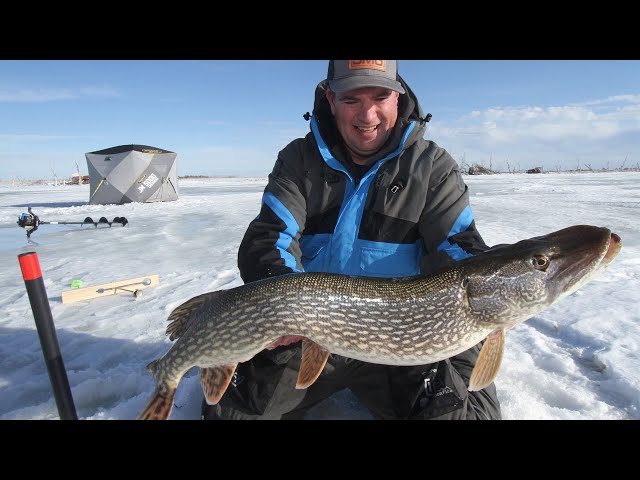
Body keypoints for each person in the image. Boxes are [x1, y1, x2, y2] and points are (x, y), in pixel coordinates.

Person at [201, 60, 501, 420]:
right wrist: (282, 308)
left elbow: (460, 248)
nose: (368, 114)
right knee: (228, 415)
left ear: (398, 97)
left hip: (402, 339)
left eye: (380, 96)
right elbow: (268, 240)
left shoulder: (431, 167)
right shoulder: (299, 160)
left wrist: (486, 299)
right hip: (310, 331)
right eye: (351, 99)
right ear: (330, 99)